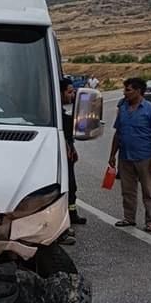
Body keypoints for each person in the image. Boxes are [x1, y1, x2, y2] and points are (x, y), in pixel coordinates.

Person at [108, 77, 151, 232]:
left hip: (145, 157)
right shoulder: (123, 108)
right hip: (125, 157)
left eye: (128, 90)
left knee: (149, 192)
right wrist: (113, 155)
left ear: (138, 91)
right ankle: (129, 218)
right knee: (127, 190)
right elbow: (118, 133)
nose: (125, 93)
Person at [60, 78, 86, 232]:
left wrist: (72, 147)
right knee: (66, 186)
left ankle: (72, 212)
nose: (72, 94)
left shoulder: (62, 112)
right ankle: (63, 218)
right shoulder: (56, 114)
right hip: (60, 157)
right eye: (69, 92)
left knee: (72, 185)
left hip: (68, 153)